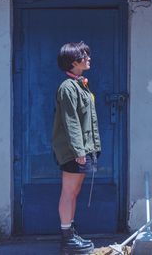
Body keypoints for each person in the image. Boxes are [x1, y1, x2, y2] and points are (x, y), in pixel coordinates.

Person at [52, 41, 101, 255]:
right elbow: (71, 121)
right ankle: (67, 239)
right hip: (74, 150)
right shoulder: (67, 88)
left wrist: (91, 148)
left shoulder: (80, 84)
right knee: (68, 191)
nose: (89, 58)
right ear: (74, 61)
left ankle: (71, 233)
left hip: (84, 147)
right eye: (84, 56)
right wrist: (79, 151)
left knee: (75, 191)